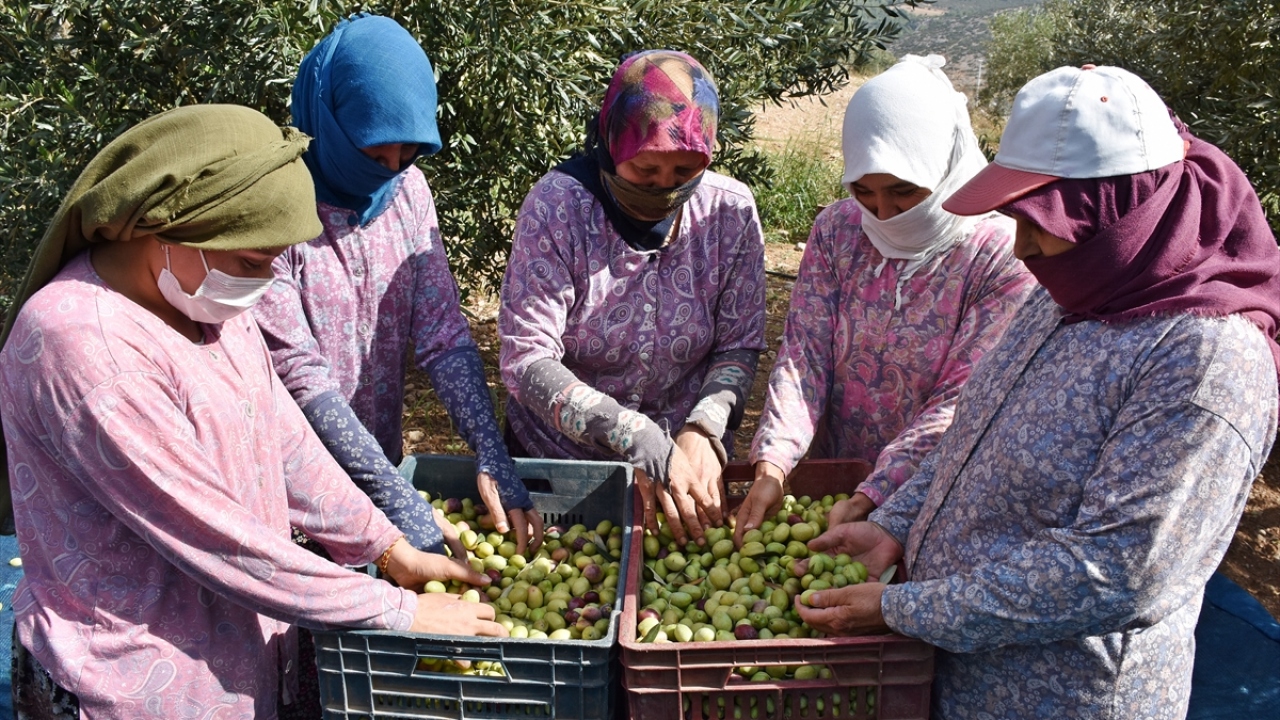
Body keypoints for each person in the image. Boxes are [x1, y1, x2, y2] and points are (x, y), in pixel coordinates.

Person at [796, 65, 1280, 719]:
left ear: (1118, 208)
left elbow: (1119, 570)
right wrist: (897, 525)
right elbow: (977, 428)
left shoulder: (1204, 360)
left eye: (1039, 221)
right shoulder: (1074, 289)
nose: (1020, 246)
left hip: (1058, 698)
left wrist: (903, 607)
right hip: (961, 673)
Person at [0, 104, 505, 720]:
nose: (264, 282)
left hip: (235, 658)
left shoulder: (201, 303)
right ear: (165, 230)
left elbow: (282, 436)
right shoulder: (83, 347)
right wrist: (395, 609)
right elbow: (208, 533)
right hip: (133, 686)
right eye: (251, 263)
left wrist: (384, 543)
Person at [253, 14, 543, 557]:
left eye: (405, 153)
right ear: (330, 120)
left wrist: (488, 447)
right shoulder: (275, 205)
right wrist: (391, 495)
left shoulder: (407, 191)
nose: (390, 168)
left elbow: (443, 333)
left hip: (374, 459)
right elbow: (296, 371)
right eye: (373, 153)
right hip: (286, 481)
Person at [734, 55, 1034, 542]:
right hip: (835, 476)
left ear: (945, 167)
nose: (884, 212)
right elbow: (804, 355)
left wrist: (876, 493)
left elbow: (959, 401)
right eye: (864, 191)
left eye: (903, 191)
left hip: (932, 490)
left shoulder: (999, 253)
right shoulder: (839, 229)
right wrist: (774, 462)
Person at [498, 50, 766, 547]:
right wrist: (633, 435)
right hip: (564, 469)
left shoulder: (728, 213)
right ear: (612, 143)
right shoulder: (559, 208)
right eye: (645, 172)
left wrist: (704, 427)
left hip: (683, 473)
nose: (663, 190)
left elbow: (739, 344)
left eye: (685, 172)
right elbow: (526, 358)